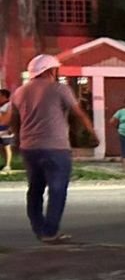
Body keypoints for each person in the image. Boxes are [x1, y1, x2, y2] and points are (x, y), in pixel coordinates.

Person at [8, 54, 98, 243]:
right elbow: (78, 113)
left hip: (29, 148)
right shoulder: (60, 89)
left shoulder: (19, 92)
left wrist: (18, 140)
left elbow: (13, 120)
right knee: (57, 189)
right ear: (50, 70)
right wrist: (92, 133)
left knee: (35, 189)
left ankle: (39, 228)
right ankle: (50, 232)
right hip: (56, 147)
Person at [0, 88, 13, 174]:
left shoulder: (9, 105)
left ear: (4, 96)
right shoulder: (1, 105)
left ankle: (8, 165)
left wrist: (11, 128)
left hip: (6, 128)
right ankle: (5, 164)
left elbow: (11, 117)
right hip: (0, 127)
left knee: (6, 146)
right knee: (2, 147)